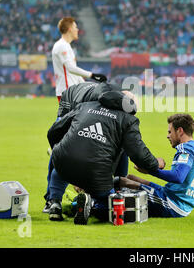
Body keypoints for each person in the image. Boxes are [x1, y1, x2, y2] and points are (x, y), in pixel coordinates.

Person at [46, 90, 165, 224]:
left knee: (62, 166)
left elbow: (54, 131)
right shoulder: (128, 120)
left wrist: (59, 148)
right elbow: (139, 154)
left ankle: (55, 203)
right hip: (97, 172)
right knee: (111, 202)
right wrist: (156, 163)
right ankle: (90, 204)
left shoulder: (85, 106)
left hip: (64, 162)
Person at [42, 80, 127, 211]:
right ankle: (51, 199)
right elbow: (55, 131)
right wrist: (57, 150)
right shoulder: (86, 105)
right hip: (71, 103)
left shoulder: (119, 105)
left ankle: (119, 190)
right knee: (63, 151)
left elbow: (120, 149)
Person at [120, 114, 194, 218]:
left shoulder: (185, 149)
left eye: (170, 132)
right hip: (175, 197)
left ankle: (105, 210)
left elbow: (178, 177)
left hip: (173, 204)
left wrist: (150, 171)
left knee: (122, 182)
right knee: (131, 178)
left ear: (180, 131)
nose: (168, 136)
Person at [51, 17, 106, 102]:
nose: (77, 30)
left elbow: (74, 72)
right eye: (75, 27)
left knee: (76, 115)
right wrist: (93, 76)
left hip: (72, 91)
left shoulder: (66, 46)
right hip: (67, 91)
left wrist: (88, 85)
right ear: (70, 29)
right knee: (72, 115)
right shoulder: (62, 46)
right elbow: (71, 68)